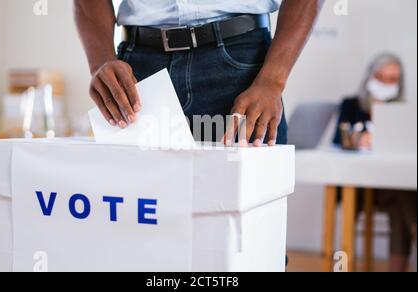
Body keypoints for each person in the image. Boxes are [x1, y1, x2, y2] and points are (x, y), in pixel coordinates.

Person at [74, 0, 323, 146]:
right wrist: (100, 62)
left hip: (243, 73)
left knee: (246, 225)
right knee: (138, 221)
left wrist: (273, 80)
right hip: (139, 74)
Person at [333, 53, 417, 272]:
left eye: (391, 79)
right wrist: (359, 139)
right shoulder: (351, 106)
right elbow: (337, 140)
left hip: (388, 187)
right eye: (380, 76)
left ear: (399, 83)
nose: (384, 83)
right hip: (359, 186)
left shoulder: (404, 112)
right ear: (369, 76)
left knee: (401, 191)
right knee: (402, 192)